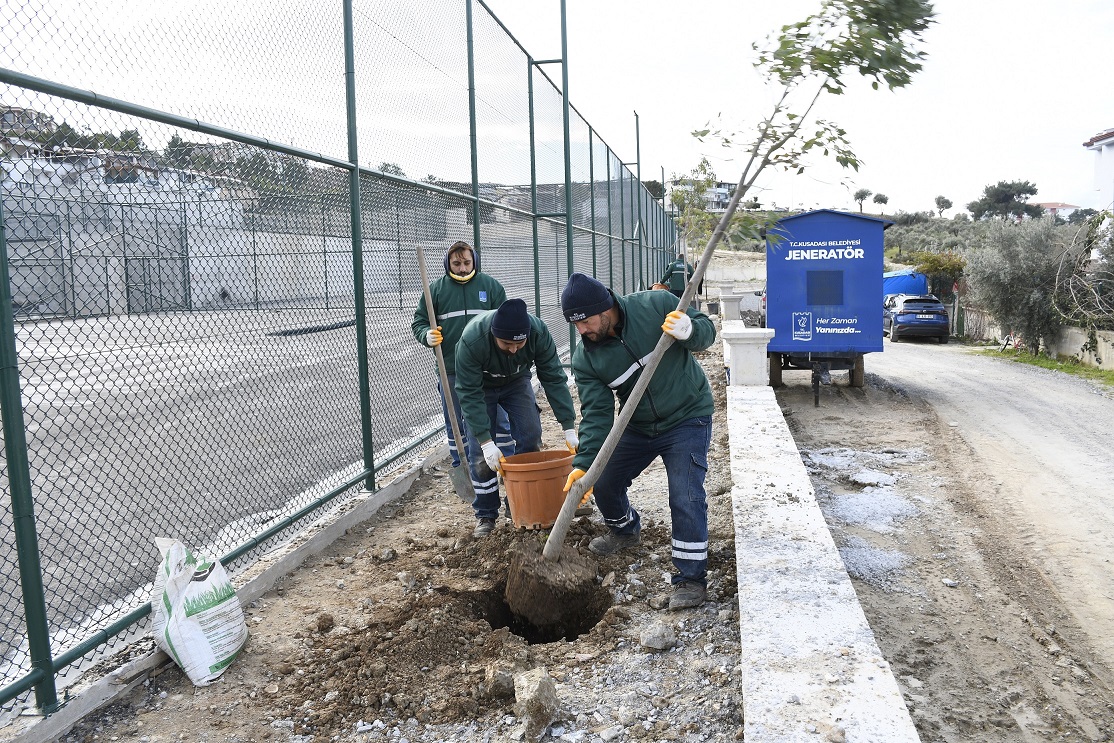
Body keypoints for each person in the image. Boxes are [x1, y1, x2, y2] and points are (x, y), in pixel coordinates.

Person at [559, 272, 716, 610]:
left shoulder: (656, 305)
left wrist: (689, 330)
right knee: (605, 481)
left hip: (687, 416)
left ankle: (690, 579)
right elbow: (597, 415)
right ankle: (625, 530)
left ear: (606, 308)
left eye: (585, 321)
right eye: (575, 325)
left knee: (685, 494)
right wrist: (584, 465)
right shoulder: (586, 359)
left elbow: (707, 332)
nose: (581, 330)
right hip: (638, 424)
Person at [454, 298, 579, 537]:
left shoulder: (538, 333)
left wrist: (568, 427)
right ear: (493, 335)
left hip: (517, 381)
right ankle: (486, 514)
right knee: (480, 456)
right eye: (506, 344)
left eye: (519, 344)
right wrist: (486, 441)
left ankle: (520, 504)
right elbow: (469, 394)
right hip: (481, 387)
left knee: (530, 434)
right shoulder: (473, 340)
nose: (513, 349)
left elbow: (553, 377)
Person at [411, 241, 514, 492]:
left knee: (499, 418)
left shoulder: (491, 287)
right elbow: (419, 322)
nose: (462, 268)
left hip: (488, 369)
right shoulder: (435, 290)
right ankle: (464, 466)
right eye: (456, 263)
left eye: (466, 262)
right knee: (457, 422)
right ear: (448, 264)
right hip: (451, 369)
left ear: (474, 261)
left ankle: (508, 464)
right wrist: (426, 335)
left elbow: (506, 323)